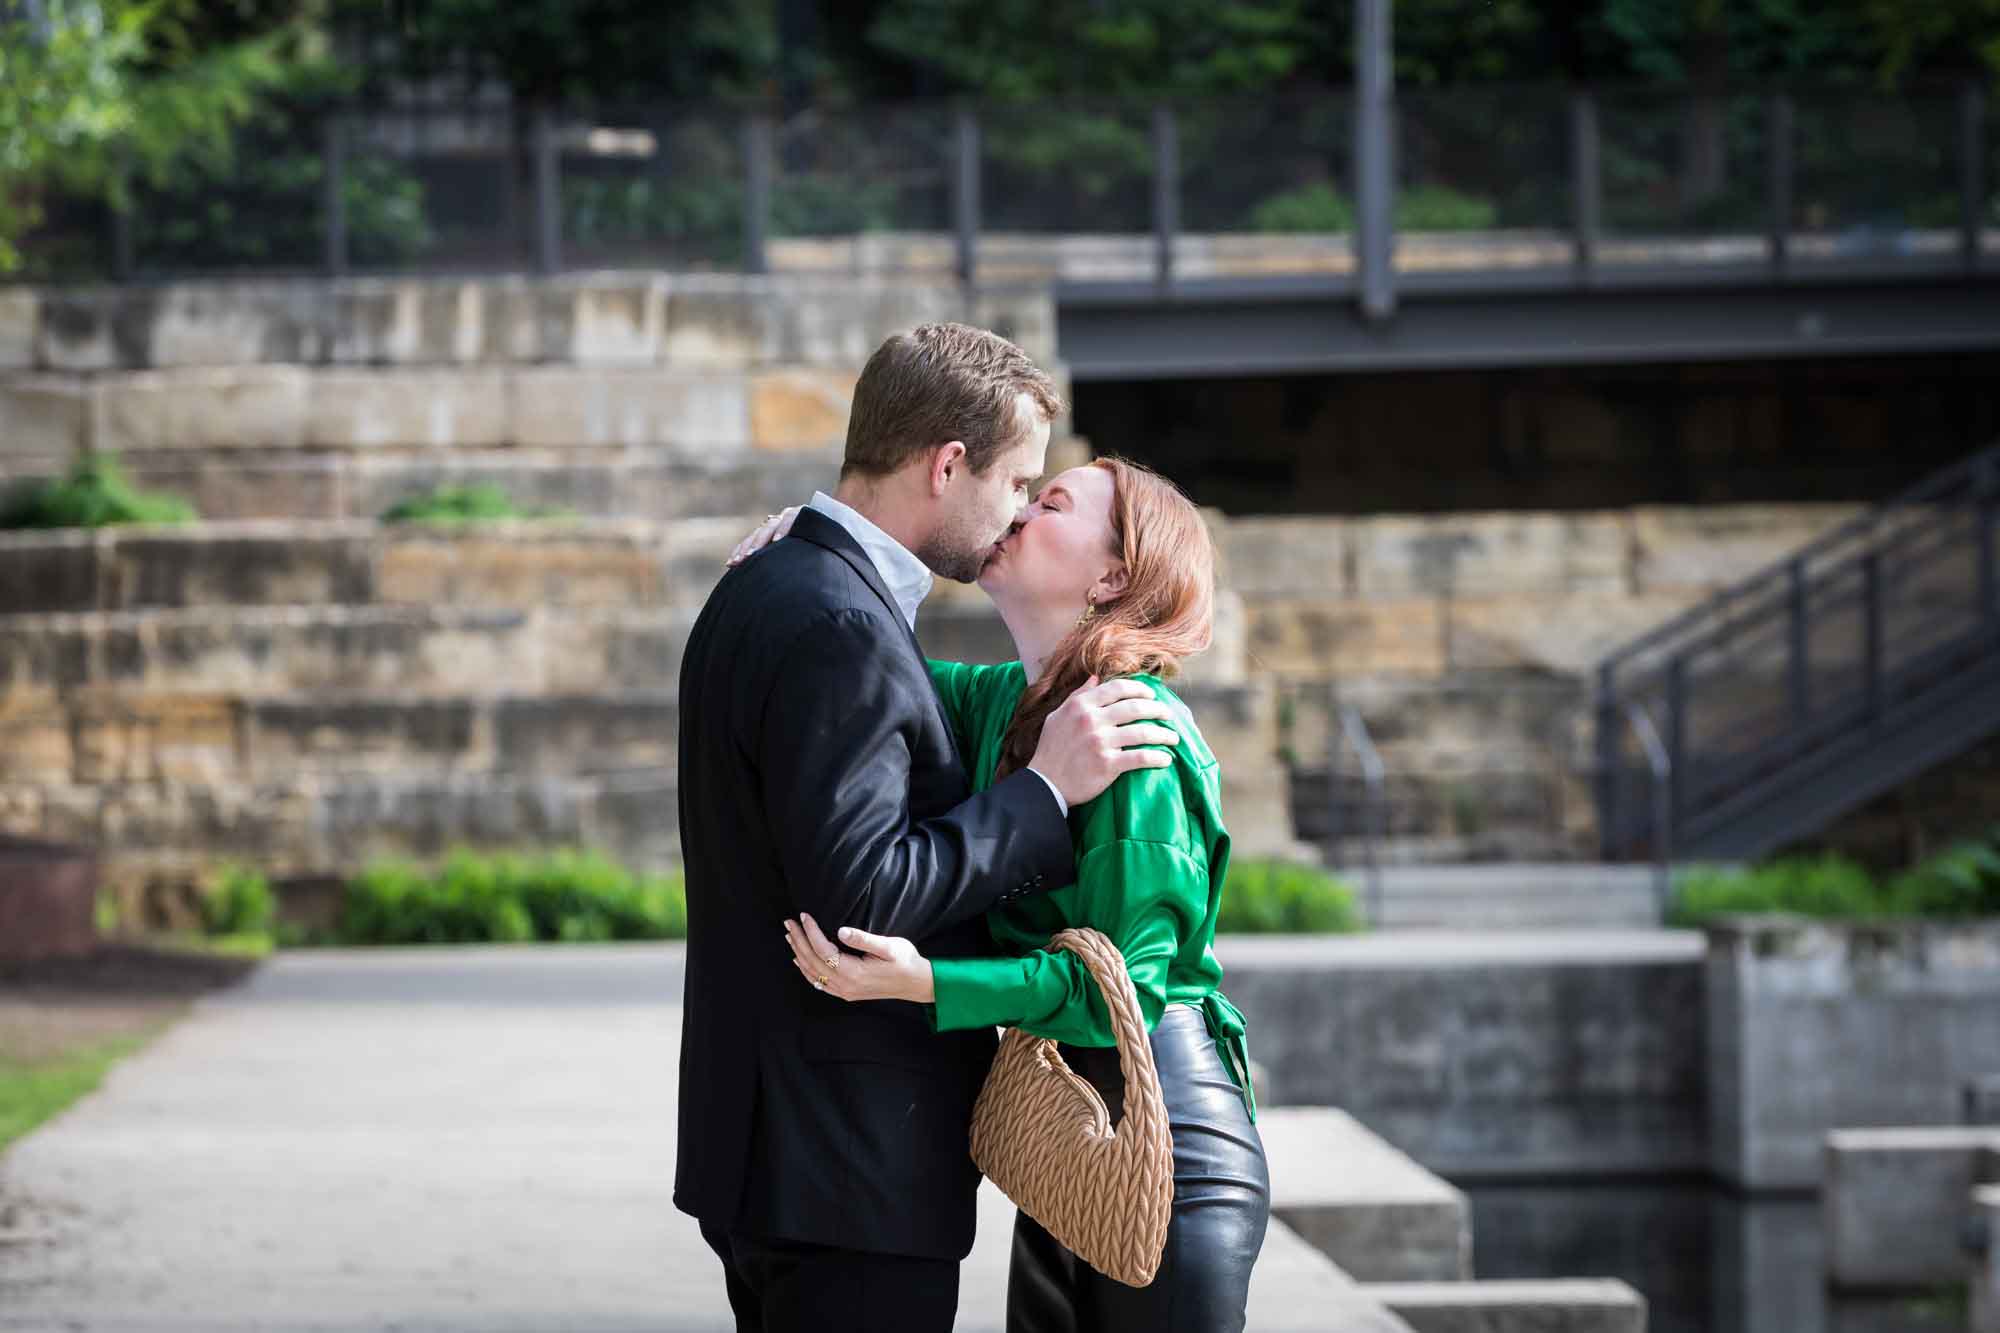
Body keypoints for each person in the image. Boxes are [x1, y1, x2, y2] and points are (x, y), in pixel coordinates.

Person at [675, 323, 1187, 1333]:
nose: (1010, 519)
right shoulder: (844, 625)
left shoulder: (769, 584)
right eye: (1014, 484)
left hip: (774, 1151)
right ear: (947, 465)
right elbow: (861, 894)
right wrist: (1041, 794)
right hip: (846, 1164)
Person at [749, 456, 1271, 1332]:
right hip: (1062, 1140)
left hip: (1168, 1148)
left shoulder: (1134, 733)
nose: (1021, 508)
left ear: (1112, 575)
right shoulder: (1003, 702)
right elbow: (861, 648)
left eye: (1053, 500)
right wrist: (806, 558)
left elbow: (1125, 1003)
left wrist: (929, 982)